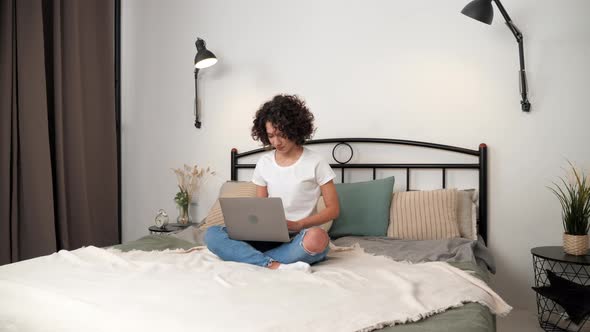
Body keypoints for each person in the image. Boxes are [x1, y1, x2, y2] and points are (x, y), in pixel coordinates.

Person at [204, 94, 339, 272]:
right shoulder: (264, 162)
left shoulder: (316, 162)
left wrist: (299, 225)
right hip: (266, 237)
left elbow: (333, 209)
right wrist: (252, 226)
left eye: (281, 135)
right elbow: (261, 207)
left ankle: (249, 258)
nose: (276, 142)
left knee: (318, 239)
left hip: (298, 237)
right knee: (212, 234)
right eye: (271, 136)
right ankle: (273, 264)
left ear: (295, 129)